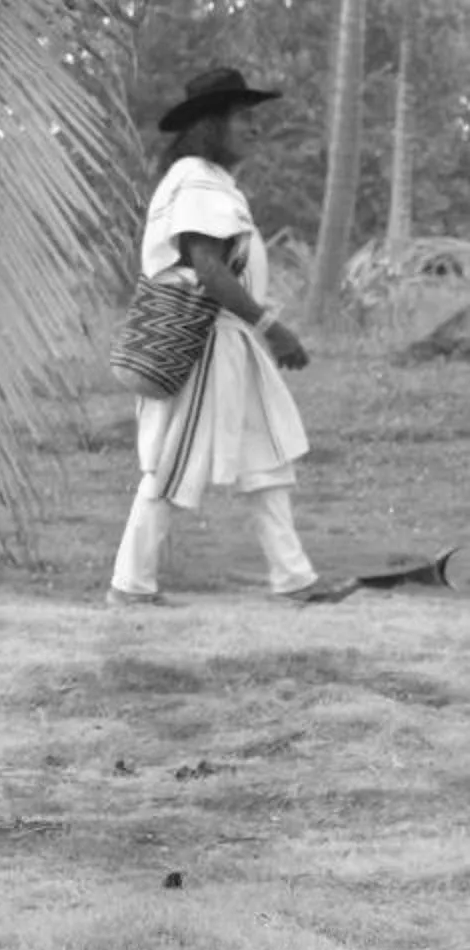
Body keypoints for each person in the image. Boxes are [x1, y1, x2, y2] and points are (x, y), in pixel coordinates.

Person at [105, 68, 359, 607]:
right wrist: (273, 328)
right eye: (243, 118)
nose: (254, 128)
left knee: (266, 457)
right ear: (209, 125)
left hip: (228, 342)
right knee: (174, 464)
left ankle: (294, 580)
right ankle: (130, 585)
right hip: (204, 342)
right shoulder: (194, 176)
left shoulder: (210, 180)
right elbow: (209, 269)